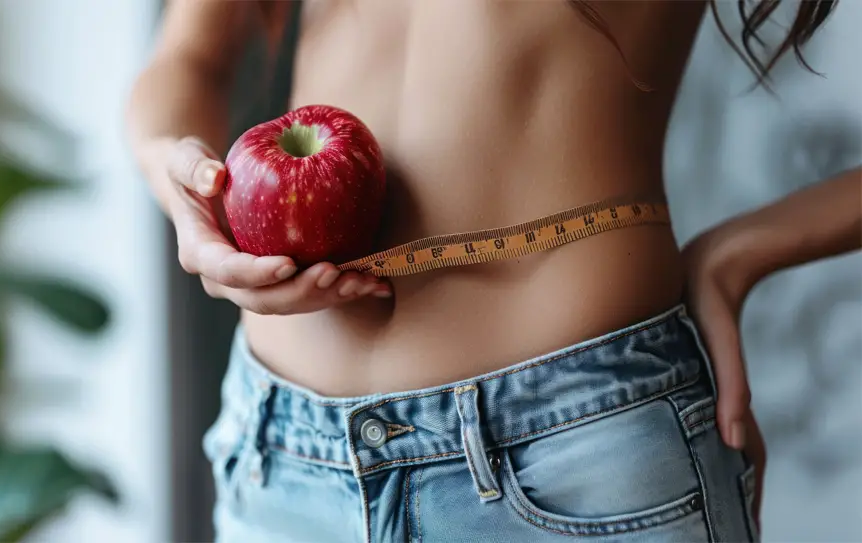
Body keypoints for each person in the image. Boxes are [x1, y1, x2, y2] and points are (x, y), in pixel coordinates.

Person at [126, 1, 860, 541]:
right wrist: (180, 177)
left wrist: (738, 254)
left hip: (580, 455)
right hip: (282, 461)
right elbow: (191, 54)